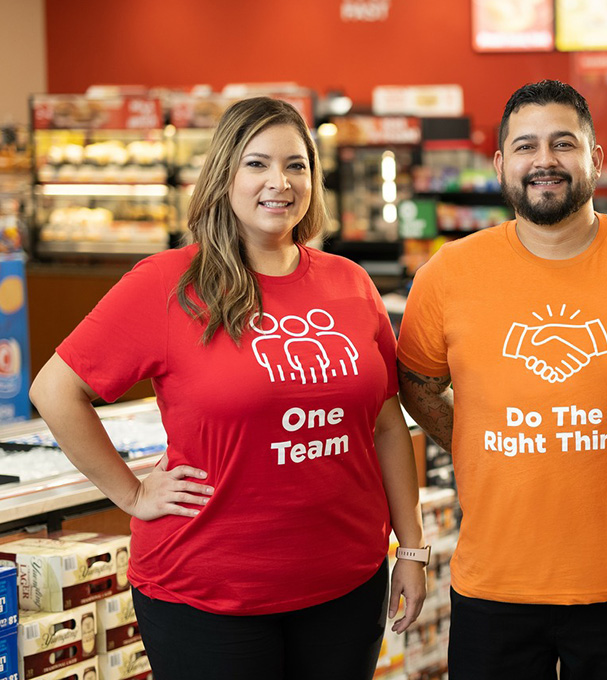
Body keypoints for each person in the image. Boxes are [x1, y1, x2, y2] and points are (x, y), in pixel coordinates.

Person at [29, 97, 426, 680]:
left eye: (297, 166)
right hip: (208, 594)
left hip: (346, 586)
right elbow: (54, 391)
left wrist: (410, 549)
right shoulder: (168, 284)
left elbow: (387, 423)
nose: (280, 183)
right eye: (257, 164)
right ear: (224, 176)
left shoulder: (350, 282)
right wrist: (133, 495)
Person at [395, 80, 607, 679]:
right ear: (501, 165)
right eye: (526, 146)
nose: (544, 160)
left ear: (595, 158)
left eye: (563, 143)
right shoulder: (449, 273)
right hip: (494, 584)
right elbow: (415, 384)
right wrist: (479, 438)